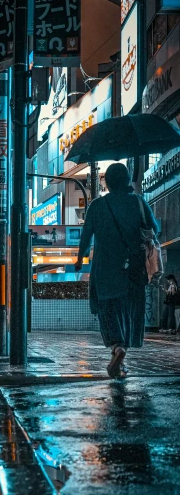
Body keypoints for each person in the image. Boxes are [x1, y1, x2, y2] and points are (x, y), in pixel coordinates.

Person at [75, 162, 158, 379]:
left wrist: (79, 258)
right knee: (129, 312)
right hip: (134, 269)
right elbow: (154, 229)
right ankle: (123, 354)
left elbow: (86, 236)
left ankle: (116, 347)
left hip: (105, 269)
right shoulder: (139, 202)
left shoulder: (97, 206)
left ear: (108, 182)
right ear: (127, 180)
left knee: (108, 310)